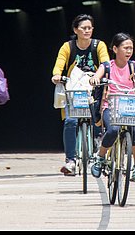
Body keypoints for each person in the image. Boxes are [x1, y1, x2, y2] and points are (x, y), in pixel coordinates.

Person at [89, 32, 135, 183]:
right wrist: (94, 79)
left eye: (131, 48)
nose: (128, 51)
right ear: (115, 49)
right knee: (113, 130)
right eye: (125, 48)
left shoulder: (134, 66)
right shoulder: (107, 66)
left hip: (130, 107)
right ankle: (100, 157)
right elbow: (96, 76)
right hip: (110, 106)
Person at [51, 14, 110, 176]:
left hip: (94, 88)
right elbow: (59, 65)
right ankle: (70, 160)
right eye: (83, 28)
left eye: (89, 28)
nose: (87, 31)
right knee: (70, 121)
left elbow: (105, 63)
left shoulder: (99, 45)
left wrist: (98, 76)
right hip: (75, 89)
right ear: (75, 30)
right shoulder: (68, 47)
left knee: (99, 118)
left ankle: (100, 147)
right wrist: (57, 75)